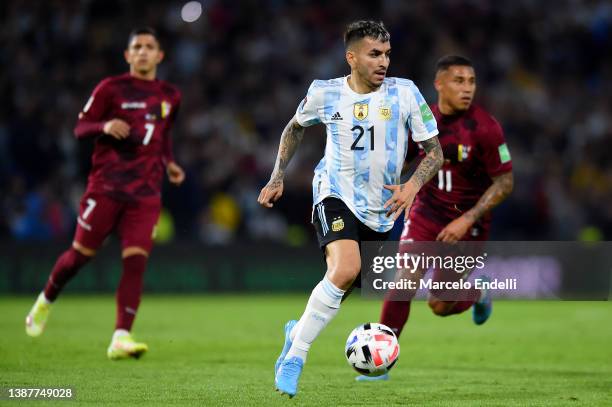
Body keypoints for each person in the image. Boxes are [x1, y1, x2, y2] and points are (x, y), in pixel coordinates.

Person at [257, 20, 443, 397]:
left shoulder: (405, 93)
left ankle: (298, 329)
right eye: (375, 54)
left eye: (387, 54)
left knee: (348, 284)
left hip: (381, 209)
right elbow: (295, 127)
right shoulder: (325, 94)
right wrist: (278, 175)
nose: (384, 61)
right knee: (346, 268)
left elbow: (435, 152)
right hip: (334, 193)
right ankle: (296, 355)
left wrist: (412, 184)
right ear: (352, 57)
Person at [25, 27, 185, 360]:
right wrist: (104, 126)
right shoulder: (110, 89)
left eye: (149, 46)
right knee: (80, 256)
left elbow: (164, 136)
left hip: (145, 194)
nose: (142, 51)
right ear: (127, 56)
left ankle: (120, 337)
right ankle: (45, 300)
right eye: (136, 46)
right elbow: (80, 127)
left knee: (136, 261)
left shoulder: (171, 95)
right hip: (107, 188)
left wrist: (169, 163)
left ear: (159, 56)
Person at [357, 55, 514, 381]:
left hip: (468, 223)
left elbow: (505, 182)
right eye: (459, 81)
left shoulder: (486, 128)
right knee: (405, 281)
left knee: (440, 304)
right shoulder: (422, 119)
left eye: (471, 81)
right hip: (427, 212)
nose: (467, 88)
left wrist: (467, 219)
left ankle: (478, 293)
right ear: (439, 84)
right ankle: (381, 362)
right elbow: (401, 161)